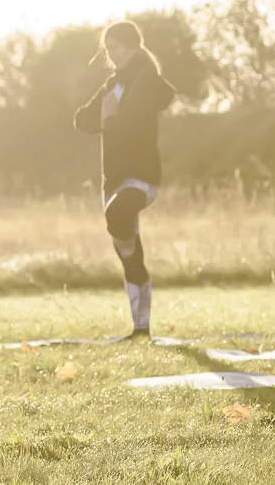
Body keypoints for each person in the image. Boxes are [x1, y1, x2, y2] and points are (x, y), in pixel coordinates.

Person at [73, 21, 176, 338]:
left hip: (142, 174)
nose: (111, 54)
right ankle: (140, 329)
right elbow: (81, 120)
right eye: (107, 49)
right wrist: (106, 118)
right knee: (130, 259)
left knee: (117, 214)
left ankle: (129, 247)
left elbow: (139, 122)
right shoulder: (111, 84)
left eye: (115, 47)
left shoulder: (146, 80)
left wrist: (110, 119)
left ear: (132, 46)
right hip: (113, 178)